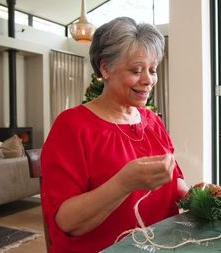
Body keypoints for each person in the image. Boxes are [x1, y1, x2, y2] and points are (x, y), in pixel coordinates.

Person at [40, 17, 188, 252]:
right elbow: (67, 221)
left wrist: (198, 195)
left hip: (162, 246)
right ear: (105, 68)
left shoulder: (152, 121)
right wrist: (124, 183)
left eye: (152, 70)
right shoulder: (72, 126)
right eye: (136, 70)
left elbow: (174, 182)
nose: (148, 80)